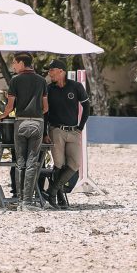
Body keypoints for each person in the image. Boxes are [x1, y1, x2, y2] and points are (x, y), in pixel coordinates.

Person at [0, 52, 48, 210]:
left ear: (21, 63)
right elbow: (46, 107)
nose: (13, 66)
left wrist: (3, 115)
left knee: (20, 163)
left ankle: (20, 201)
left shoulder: (15, 80)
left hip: (20, 122)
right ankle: (28, 202)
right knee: (32, 162)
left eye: (14, 63)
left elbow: (10, 106)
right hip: (37, 123)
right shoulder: (42, 81)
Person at [44, 59, 91, 209]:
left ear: (61, 71)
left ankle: (52, 191)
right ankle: (58, 197)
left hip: (74, 131)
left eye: (52, 70)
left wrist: (80, 127)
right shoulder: (48, 89)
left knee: (75, 164)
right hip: (56, 130)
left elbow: (87, 106)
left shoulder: (76, 86)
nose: (49, 73)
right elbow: (45, 112)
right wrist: (45, 132)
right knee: (58, 164)